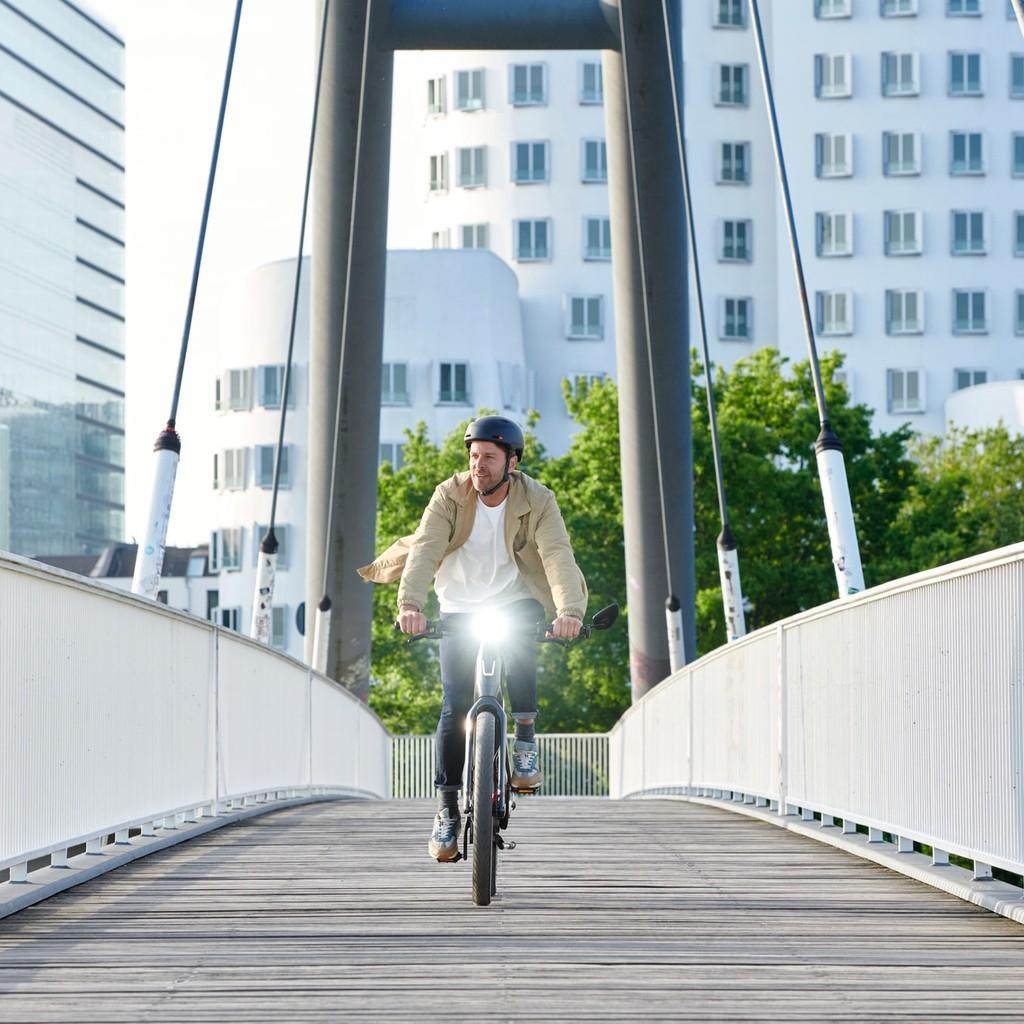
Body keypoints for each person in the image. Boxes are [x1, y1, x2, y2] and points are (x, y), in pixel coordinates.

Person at [358, 415, 588, 861]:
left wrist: (569, 613)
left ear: (512, 461)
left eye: (488, 457)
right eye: (473, 455)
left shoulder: (537, 499)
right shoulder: (450, 494)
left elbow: (557, 553)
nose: (478, 464)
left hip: (513, 599)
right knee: (454, 702)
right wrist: (410, 607)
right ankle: (446, 810)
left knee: (522, 641)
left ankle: (524, 736)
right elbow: (424, 548)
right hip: (459, 607)